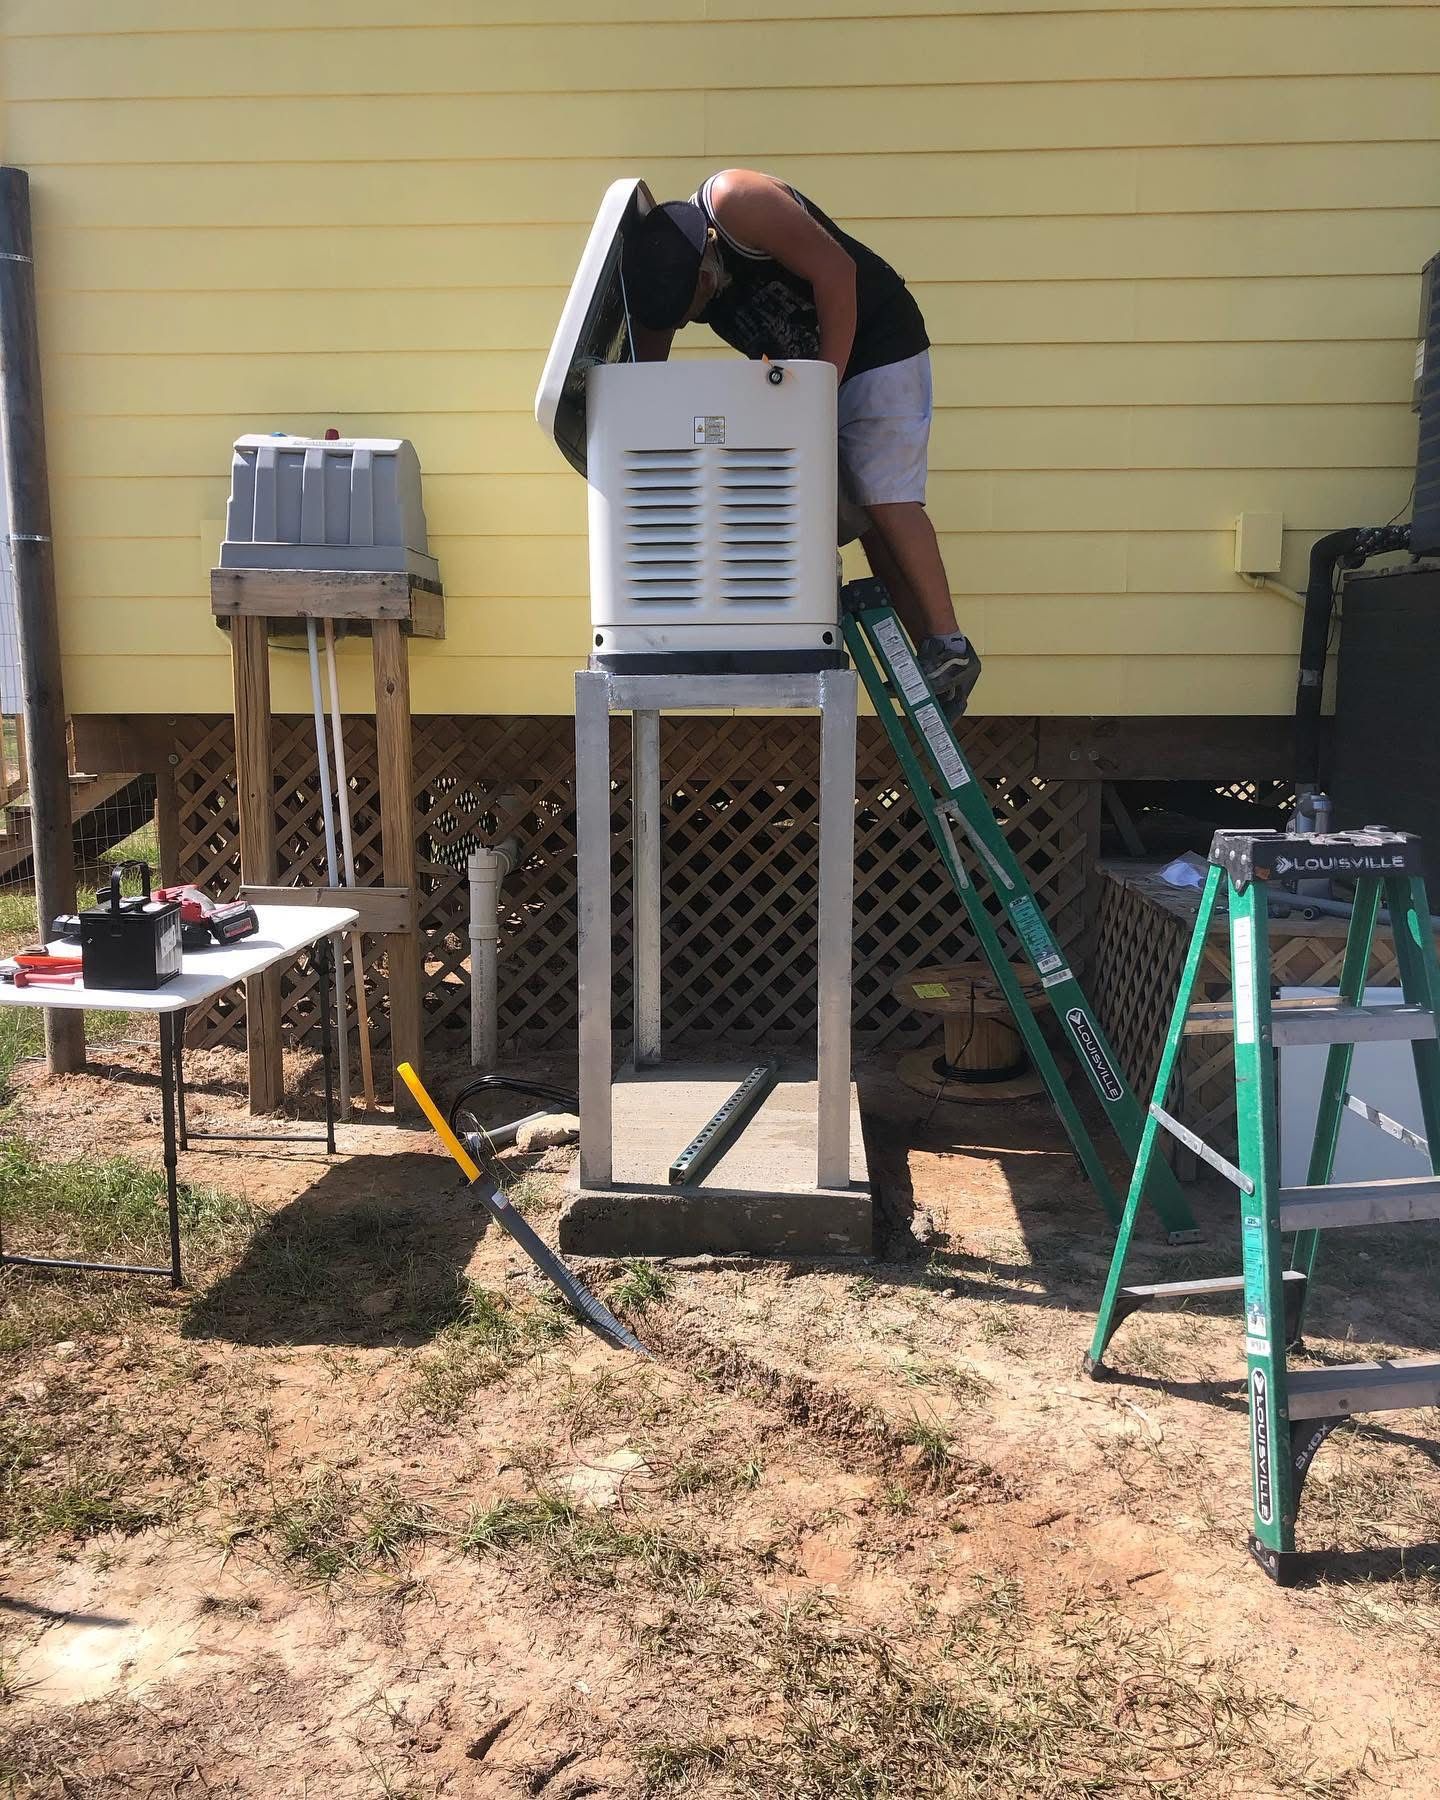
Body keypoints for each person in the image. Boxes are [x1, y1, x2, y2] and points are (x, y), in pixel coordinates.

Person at [620, 167, 979, 717]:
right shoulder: (664, 276)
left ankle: (951, 644)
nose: (700, 314)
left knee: (886, 494)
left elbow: (838, 272)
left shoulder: (739, 202)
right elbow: (649, 373)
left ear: (705, 265)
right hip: (817, 373)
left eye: (700, 301)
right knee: (864, 518)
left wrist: (823, 388)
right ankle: (926, 659)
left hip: (879, 342)